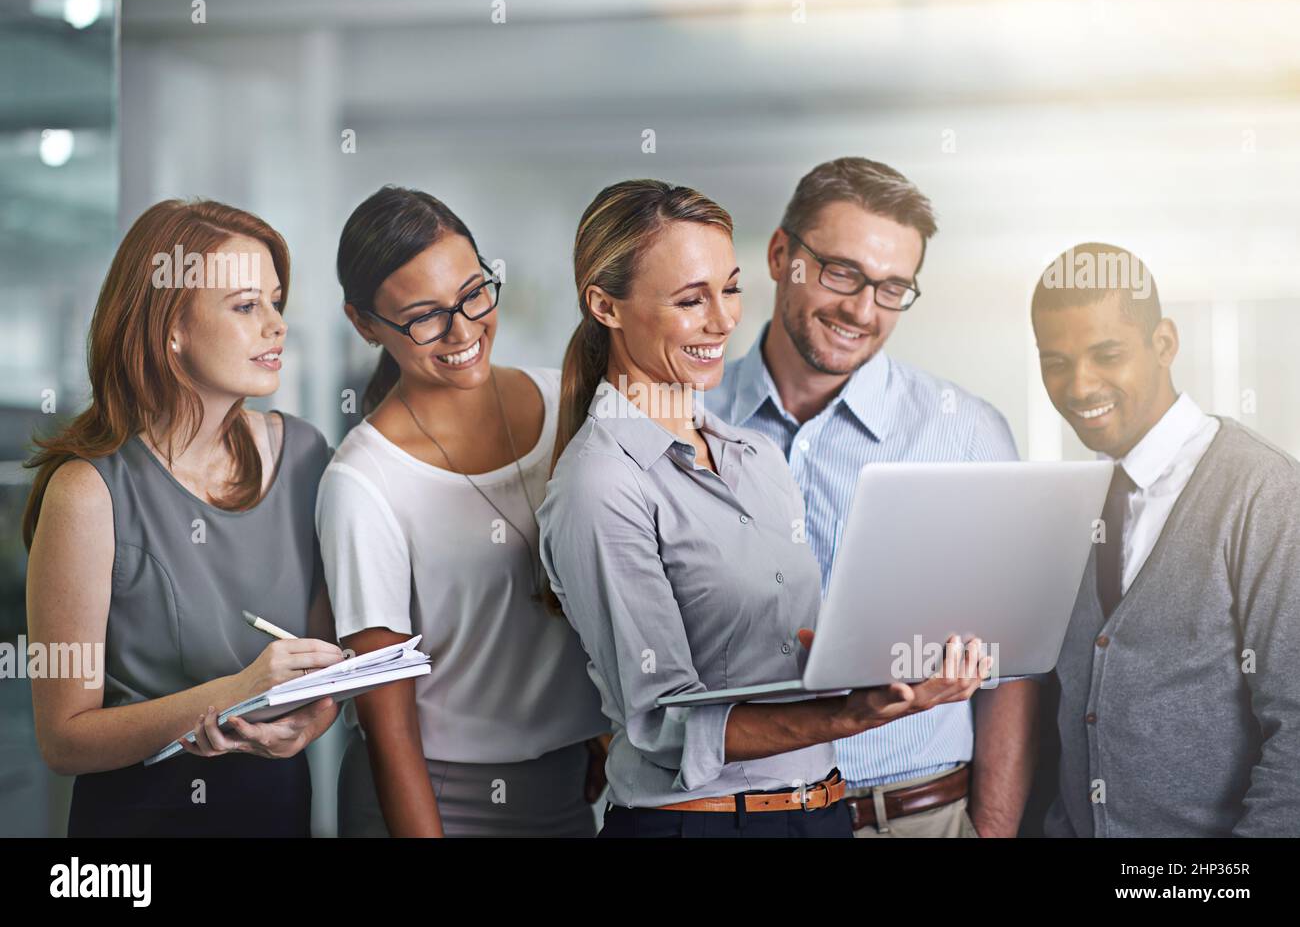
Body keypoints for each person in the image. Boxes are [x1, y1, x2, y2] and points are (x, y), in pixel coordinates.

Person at [538, 178, 989, 838]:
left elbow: (774, 658)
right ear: (606, 306)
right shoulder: (600, 484)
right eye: (691, 299)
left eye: (729, 288)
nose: (723, 321)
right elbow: (664, 721)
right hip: (703, 825)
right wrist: (857, 714)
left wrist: (890, 662)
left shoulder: (755, 456)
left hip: (820, 813)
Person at [703, 157, 1039, 837]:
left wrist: (992, 831)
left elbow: (1013, 669)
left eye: (892, 288)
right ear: (779, 255)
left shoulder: (965, 433)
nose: (862, 310)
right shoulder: (689, 418)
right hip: (736, 816)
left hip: (916, 815)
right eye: (842, 273)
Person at [23, 199, 341, 837]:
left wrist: (316, 714)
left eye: (277, 302)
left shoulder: (306, 455)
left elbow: (321, 660)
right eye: (247, 306)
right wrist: (237, 689)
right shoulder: (87, 494)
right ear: (172, 329)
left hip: (277, 812)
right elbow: (63, 741)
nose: (277, 326)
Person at [318, 185, 610, 837]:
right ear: (365, 323)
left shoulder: (567, 401)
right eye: (424, 316)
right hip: (435, 797)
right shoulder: (363, 481)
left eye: (474, 292)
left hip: (564, 789)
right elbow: (387, 724)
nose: (463, 330)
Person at [1032, 242, 1300, 837]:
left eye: (1107, 354)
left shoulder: (1263, 489)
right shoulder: (1069, 497)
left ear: (1164, 344)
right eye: (1056, 361)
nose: (1079, 385)